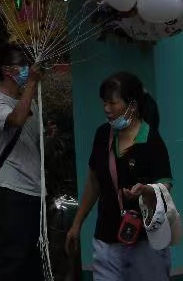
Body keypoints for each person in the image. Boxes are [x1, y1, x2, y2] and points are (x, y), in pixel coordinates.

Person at [66, 71, 173, 280]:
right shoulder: (102, 135)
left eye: (113, 103)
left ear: (132, 105)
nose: (107, 109)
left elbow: (165, 186)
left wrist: (146, 191)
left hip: (145, 243)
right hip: (106, 240)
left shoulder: (151, 140)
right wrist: (77, 223)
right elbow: (94, 182)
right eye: (104, 103)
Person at [0, 43, 43, 281]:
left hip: (35, 191)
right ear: (7, 70)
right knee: (11, 263)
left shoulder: (31, 103)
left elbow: (36, 146)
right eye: (22, 65)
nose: (27, 69)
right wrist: (31, 84)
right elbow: (16, 119)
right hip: (11, 191)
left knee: (32, 263)